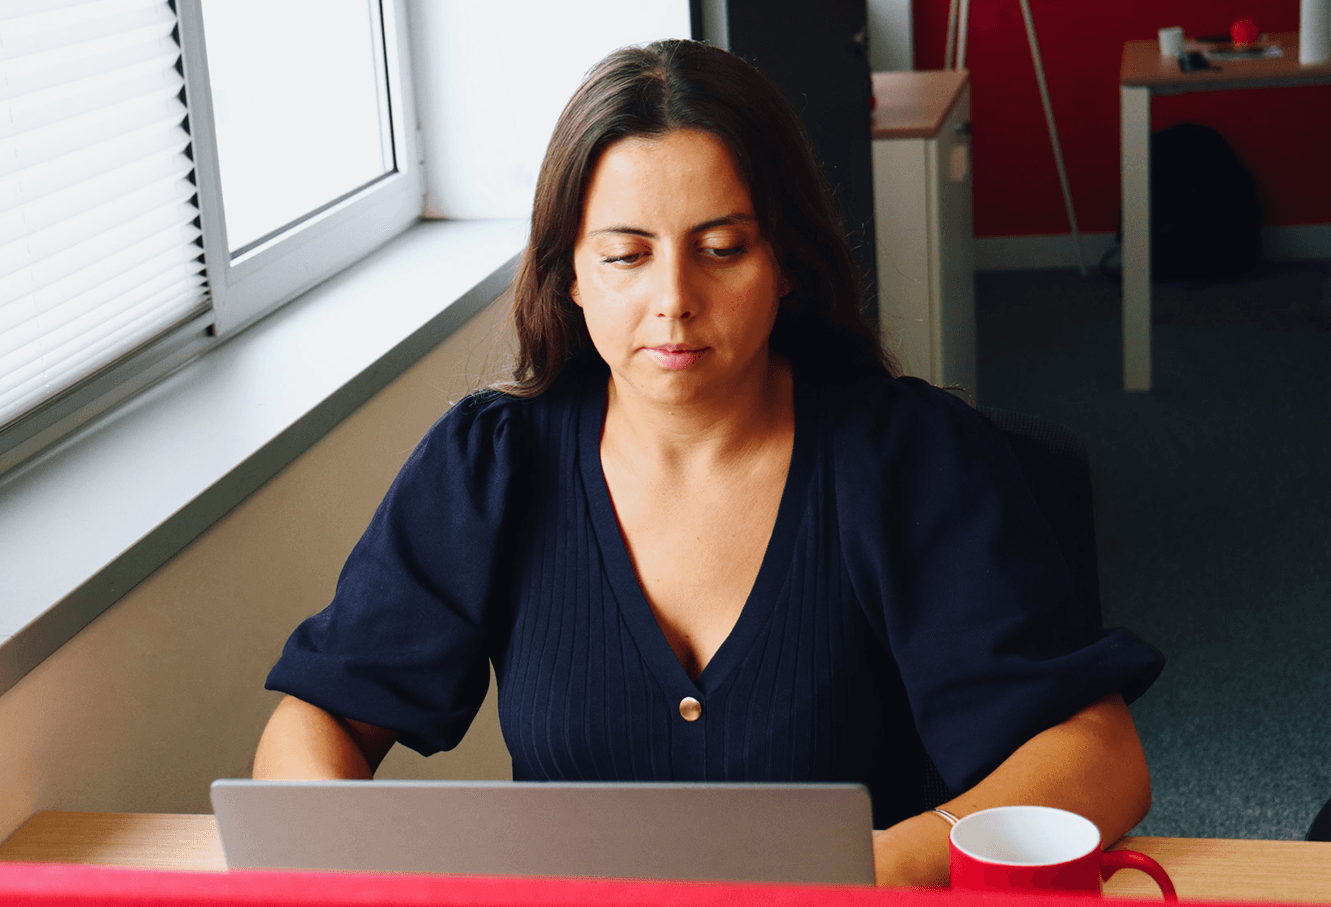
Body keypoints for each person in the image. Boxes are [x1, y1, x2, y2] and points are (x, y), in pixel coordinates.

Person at [252, 39, 1163, 887]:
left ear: (788, 263)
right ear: (570, 273)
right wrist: (339, 864)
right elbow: (318, 719)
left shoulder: (908, 457)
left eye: (721, 250)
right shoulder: (489, 465)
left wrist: (870, 869)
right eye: (625, 256)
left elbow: (1099, 755)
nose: (674, 301)